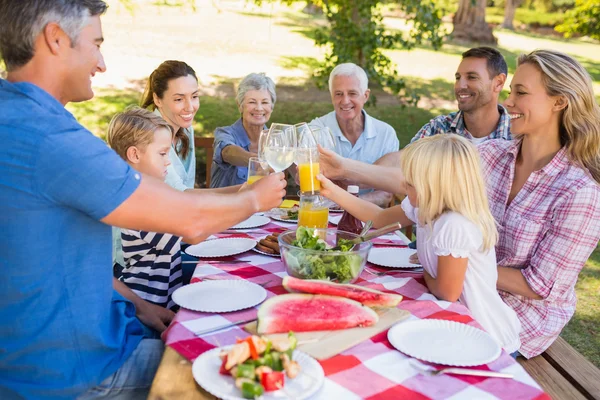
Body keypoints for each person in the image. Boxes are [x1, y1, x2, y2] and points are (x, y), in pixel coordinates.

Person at [0, 1, 287, 398]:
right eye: (96, 44)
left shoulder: (14, 114)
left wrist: (142, 306)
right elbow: (190, 220)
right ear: (55, 39)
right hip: (75, 373)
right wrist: (255, 197)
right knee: (245, 372)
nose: (101, 63)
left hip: (71, 346)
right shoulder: (51, 140)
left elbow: (58, 258)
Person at [318, 135, 521, 354]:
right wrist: (329, 190)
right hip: (452, 322)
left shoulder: (454, 224)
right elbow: (378, 217)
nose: (403, 186)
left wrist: (425, 267)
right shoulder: (425, 206)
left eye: (411, 183)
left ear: (435, 187)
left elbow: (446, 293)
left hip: (483, 333)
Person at [478, 49, 600, 358]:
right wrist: (343, 170)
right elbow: (422, 178)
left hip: (519, 322)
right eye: (510, 92)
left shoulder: (580, 192)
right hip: (471, 293)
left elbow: (537, 287)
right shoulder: (492, 155)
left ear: (559, 102)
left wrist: (458, 262)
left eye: (521, 92)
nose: (508, 102)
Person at [317, 47, 511, 195]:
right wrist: (345, 172)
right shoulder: (440, 128)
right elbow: (400, 161)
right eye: (458, 77)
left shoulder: (515, 137)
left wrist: (343, 172)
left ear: (499, 83)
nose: (460, 85)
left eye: (472, 77)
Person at [107, 107, 186, 318]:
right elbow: (192, 231)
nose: (168, 160)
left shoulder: (144, 194)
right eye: (162, 153)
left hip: (164, 301)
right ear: (134, 154)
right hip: (144, 312)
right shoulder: (138, 203)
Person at [309, 62, 399, 206]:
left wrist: (349, 206)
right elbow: (311, 185)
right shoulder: (315, 130)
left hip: (369, 219)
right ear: (331, 96)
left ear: (365, 95)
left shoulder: (386, 133)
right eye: (338, 94)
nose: (345, 101)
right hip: (325, 215)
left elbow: (386, 193)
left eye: (352, 93)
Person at [141, 60, 199, 192]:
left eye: (194, 96)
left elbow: (188, 184)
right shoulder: (150, 135)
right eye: (179, 99)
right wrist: (241, 193)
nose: (190, 107)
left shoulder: (187, 130)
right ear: (157, 100)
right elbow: (179, 192)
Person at [211, 73, 276, 188]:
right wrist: (257, 162)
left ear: (271, 107)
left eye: (265, 102)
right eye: (252, 102)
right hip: (226, 205)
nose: (259, 108)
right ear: (240, 105)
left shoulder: (276, 140)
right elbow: (227, 152)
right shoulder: (225, 133)